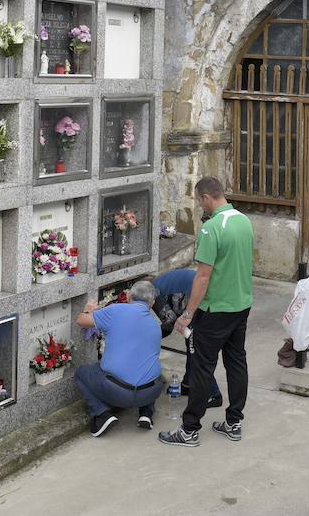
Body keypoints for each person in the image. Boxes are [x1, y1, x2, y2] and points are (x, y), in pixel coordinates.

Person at [158, 177, 253, 448]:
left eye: (199, 200)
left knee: (201, 367)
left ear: (207, 198)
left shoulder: (211, 228)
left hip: (215, 309)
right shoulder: (243, 221)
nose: (201, 205)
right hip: (242, 304)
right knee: (236, 362)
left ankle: (190, 429)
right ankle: (234, 422)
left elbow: (203, 276)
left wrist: (187, 313)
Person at [73, 279, 163, 436]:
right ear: (152, 302)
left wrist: (88, 310)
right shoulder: (155, 323)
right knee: (148, 365)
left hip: (118, 392)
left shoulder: (116, 311)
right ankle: (146, 413)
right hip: (151, 391)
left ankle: (102, 414)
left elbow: (81, 321)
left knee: (81, 372)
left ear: (128, 296)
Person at [152, 266, 222, 406]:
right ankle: (187, 385)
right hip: (208, 296)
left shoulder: (153, 294)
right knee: (192, 345)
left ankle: (214, 394)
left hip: (199, 299)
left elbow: (169, 322)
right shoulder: (159, 284)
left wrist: (149, 338)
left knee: (195, 349)